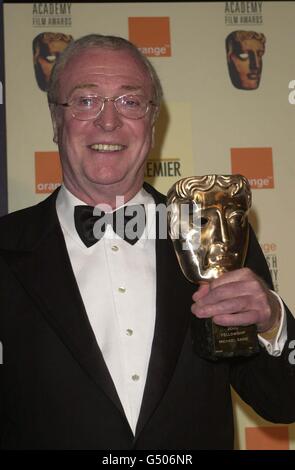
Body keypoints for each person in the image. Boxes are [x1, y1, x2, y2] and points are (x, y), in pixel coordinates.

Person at [0, 34, 294, 450]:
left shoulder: (216, 233)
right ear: (55, 119)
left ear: (153, 123)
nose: (108, 121)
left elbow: (284, 401)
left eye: (130, 102)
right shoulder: (5, 249)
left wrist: (272, 323)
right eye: (86, 101)